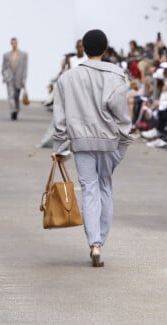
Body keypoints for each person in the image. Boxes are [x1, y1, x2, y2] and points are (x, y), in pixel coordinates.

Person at [52, 29, 133, 268]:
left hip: (81, 140)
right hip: (109, 140)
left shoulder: (67, 78)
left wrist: (59, 146)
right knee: (105, 186)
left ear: (83, 49)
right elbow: (121, 112)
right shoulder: (117, 76)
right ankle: (101, 242)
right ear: (105, 49)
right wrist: (125, 139)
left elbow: (60, 118)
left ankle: (94, 243)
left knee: (89, 188)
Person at [1, 37, 28, 120]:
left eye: (15, 43)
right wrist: (5, 76)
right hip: (9, 78)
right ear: (11, 44)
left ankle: (16, 111)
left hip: (19, 78)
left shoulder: (24, 55)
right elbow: (3, 67)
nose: (14, 44)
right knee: (11, 96)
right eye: (12, 43)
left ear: (17, 43)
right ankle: (13, 110)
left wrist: (24, 80)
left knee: (16, 97)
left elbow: (25, 68)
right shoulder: (6, 55)